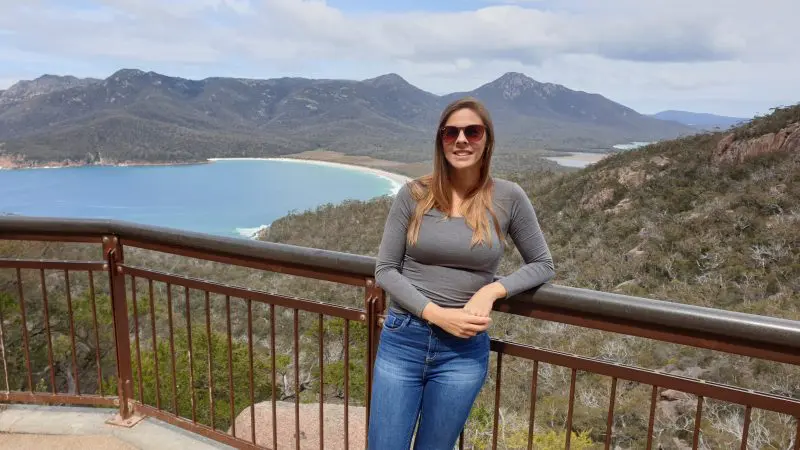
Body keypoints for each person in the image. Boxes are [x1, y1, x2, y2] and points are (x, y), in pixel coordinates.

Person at [368, 96, 556, 449]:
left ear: (487, 140)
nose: (461, 140)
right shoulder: (414, 194)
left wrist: (491, 291)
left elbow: (542, 264)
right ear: (440, 141)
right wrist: (437, 315)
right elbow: (386, 270)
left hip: (462, 351)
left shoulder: (509, 197)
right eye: (450, 132)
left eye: (473, 131)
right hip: (404, 340)